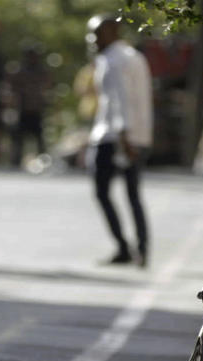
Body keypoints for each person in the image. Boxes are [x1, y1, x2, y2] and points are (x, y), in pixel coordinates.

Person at [86, 14, 153, 267]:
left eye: (97, 33)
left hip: (115, 136)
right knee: (133, 194)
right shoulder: (134, 56)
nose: (92, 40)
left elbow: (120, 100)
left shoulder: (112, 60)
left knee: (103, 192)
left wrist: (124, 137)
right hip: (136, 135)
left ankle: (126, 247)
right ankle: (141, 248)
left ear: (112, 32)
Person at [8, 46, 51, 167]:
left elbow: (47, 86)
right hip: (23, 109)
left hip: (36, 110)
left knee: (40, 138)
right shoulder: (19, 70)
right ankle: (15, 162)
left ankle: (43, 162)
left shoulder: (41, 71)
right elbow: (12, 87)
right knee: (18, 139)